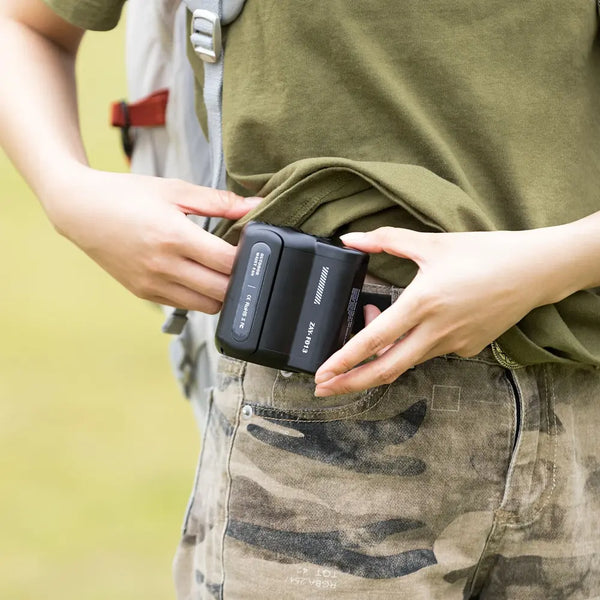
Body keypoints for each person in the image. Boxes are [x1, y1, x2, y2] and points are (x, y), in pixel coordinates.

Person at [1, 1, 600, 598]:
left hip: (583, 396)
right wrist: (67, 192)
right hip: (321, 405)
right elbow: (24, 24)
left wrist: (551, 263)